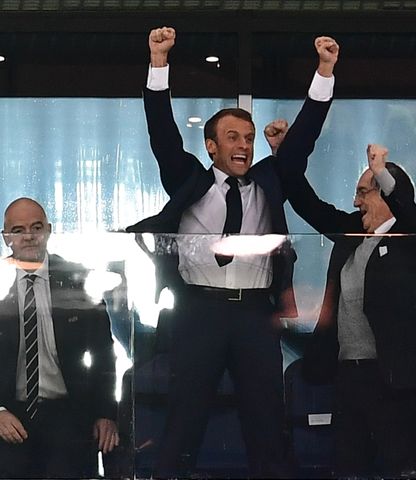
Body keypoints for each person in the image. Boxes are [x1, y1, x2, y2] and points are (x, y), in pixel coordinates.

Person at [125, 26, 338, 478]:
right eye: (233, 138)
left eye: (248, 138)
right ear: (211, 145)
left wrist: (324, 73)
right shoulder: (190, 179)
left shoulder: (268, 181)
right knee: (185, 419)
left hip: (254, 316)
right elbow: (162, 135)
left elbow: (301, 142)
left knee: (266, 420)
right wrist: (158, 63)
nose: (244, 146)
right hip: (198, 310)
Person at [277, 140, 416, 477]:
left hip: (394, 378)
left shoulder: (413, 234)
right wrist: (286, 154)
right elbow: (308, 205)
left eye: (363, 192)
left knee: (401, 466)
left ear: (385, 194)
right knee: (348, 465)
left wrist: (381, 170)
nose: (355, 201)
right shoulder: (353, 232)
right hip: (349, 375)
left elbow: (407, 209)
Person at [0, 198, 118, 478]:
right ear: (7, 238)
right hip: (9, 409)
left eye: (36, 227)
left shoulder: (77, 278)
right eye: (18, 230)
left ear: (49, 230)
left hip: (67, 408)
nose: (28, 236)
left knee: (65, 466)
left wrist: (106, 413)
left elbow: (104, 351)